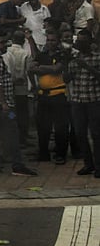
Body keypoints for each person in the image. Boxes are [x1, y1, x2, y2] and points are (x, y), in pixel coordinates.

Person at [0, 30, 38, 176]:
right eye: (1, 42)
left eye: (6, 42)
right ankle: (17, 165)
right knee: (12, 132)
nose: (5, 45)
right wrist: (4, 103)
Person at [29, 29, 71, 164]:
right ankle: (43, 154)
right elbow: (31, 68)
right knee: (42, 127)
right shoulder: (42, 54)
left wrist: (40, 68)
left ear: (58, 41)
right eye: (48, 40)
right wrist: (46, 68)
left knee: (60, 128)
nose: (50, 43)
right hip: (43, 96)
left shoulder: (63, 54)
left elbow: (56, 69)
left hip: (58, 95)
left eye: (53, 40)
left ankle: (60, 154)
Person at [67, 29, 100, 178]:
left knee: (96, 134)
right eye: (78, 41)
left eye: (83, 41)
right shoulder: (73, 58)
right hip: (77, 100)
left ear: (89, 42)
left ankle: (99, 166)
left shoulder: (97, 57)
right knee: (80, 133)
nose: (80, 43)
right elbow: (67, 79)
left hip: (94, 100)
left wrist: (86, 66)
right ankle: (88, 164)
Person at [3, 30, 33, 147]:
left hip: (9, 88)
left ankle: (13, 135)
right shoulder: (25, 53)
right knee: (23, 114)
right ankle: (22, 136)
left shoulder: (7, 51)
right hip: (22, 88)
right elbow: (28, 71)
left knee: (12, 113)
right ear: (23, 41)